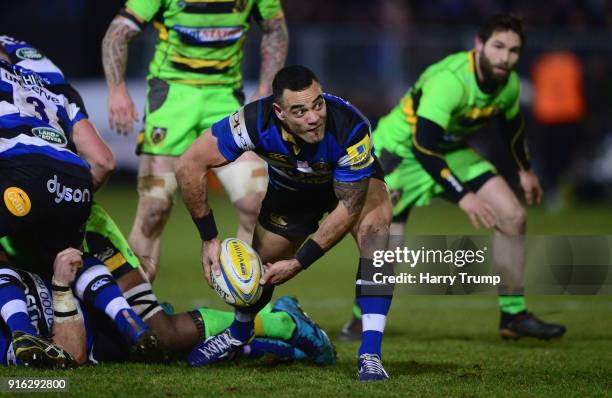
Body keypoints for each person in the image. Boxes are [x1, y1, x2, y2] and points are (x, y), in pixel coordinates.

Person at [340, 13, 566, 342]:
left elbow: (511, 127)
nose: (505, 57)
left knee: (513, 216)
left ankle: (514, 315)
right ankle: (360, 321)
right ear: (479, 46)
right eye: (498, 46)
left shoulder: (509, 83)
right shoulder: (451, 80)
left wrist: (525, 170)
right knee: (383, 246)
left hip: (448, 151)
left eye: (513, 50)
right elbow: (423, 144)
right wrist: (464, 196)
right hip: (400, 153)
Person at [176, 65, 394, 381]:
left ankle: (370, 354)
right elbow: (189, 165)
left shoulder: (350, 127)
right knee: (260, 266)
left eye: (317, 104)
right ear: (279, 112)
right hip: (293, 190)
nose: (314, 117)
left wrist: (299, 262)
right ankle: (238, 334)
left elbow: (348, 207)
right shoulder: (253, 122)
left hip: (349, 187)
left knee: (376, 233)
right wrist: (209, 237)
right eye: (300, 110)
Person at [102, 0, 289, 281]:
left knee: (257, 202)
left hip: (224, 101)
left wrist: (265, 87)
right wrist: (116, 90)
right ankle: (136, 310)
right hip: (171, 101)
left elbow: (275, 29)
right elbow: (117, 34)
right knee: (154, 208)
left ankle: (247, 300)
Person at [0, 247, 326, 367]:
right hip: (94, 331)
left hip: (90, 264)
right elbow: (70, 357)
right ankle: (283, 334)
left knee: (160, 335)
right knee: (167, 346)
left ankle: (282, 323)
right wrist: (58, 288)